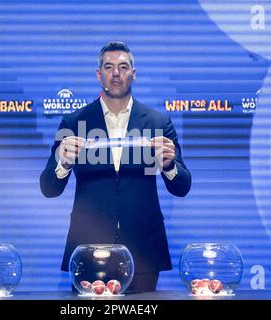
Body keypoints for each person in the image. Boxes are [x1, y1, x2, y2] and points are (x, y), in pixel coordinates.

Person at [40, 41, 191, 292]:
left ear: (134, 73)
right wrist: (62, 163)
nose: (116, 73)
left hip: (143, 250)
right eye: (108, 67)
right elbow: (48, 188)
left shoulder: (158, 122)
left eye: (123, 66)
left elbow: (182, 186)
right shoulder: (75, 121)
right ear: (99, 75)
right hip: (88, 251)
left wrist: (169, 166)